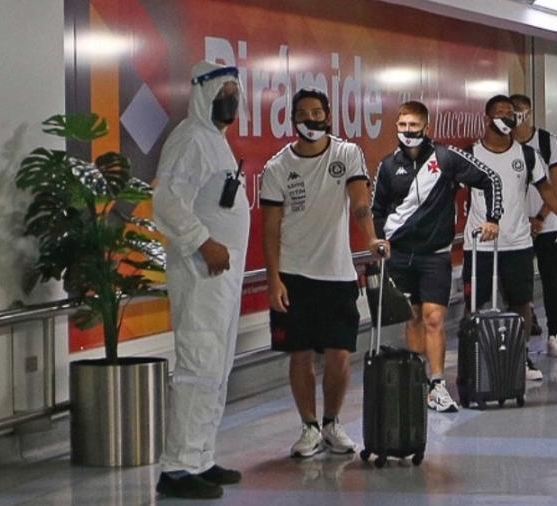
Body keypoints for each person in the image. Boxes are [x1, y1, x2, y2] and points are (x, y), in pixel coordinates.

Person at [260, 88, 389, 459]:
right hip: (293, 274)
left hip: (337, 273)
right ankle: (309, 426)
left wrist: (372, 240)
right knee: (298, 353)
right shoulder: (277, 168)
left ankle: (332, 422)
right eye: (303, 114)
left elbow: (359, 202)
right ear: (293, 121)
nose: (311, 120)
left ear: (328, 116)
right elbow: (270, 227)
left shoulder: (347, 154)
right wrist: (273, 280)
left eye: (317, 112)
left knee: (339, 353)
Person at [153, 61, 248, 499]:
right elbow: (168, 202)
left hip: (221, 279)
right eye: (223, 91)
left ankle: (200, 457)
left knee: (217, 366)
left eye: (235, 91)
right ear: (203, 94)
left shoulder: (216, 143)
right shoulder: (191, 138)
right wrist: (203, 241)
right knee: (197, 365)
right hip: (199, 272)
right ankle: (176, 468)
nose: (231, 98)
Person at [372, 100, 502, 413]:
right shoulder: (388, 165)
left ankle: (437, 384)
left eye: (413, 126)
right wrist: (378, 240)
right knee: (413, 317)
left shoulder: (446, 158)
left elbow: (490, 179)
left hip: (435, 255)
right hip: (400, 255)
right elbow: (376, 209)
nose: (407, 132)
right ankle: (417, 380)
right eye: (402, 126)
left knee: (434, 317)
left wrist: (493, 218)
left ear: (426, 127)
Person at [463, 95, 557, 381]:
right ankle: (475, 359)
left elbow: (547, 191)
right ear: (487, 118)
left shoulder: (526, 155)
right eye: (500, 113)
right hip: (479, 244)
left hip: (517, 241)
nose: (507, 117)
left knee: (521, 302)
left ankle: (521, 356)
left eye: (510, 113)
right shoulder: (470, 154)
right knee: (476, 305)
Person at [510, 94, 557, 358]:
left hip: (548, 225)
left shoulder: (547, 141)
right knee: (519, 286)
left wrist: (540, 217)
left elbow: (555, 184)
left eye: (521, 111)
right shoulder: (504, 144)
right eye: (512, 110)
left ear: (529, 112)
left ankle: (553, 334)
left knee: (551, 280)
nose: (517, 115)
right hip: (516, 228)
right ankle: (521, 342)